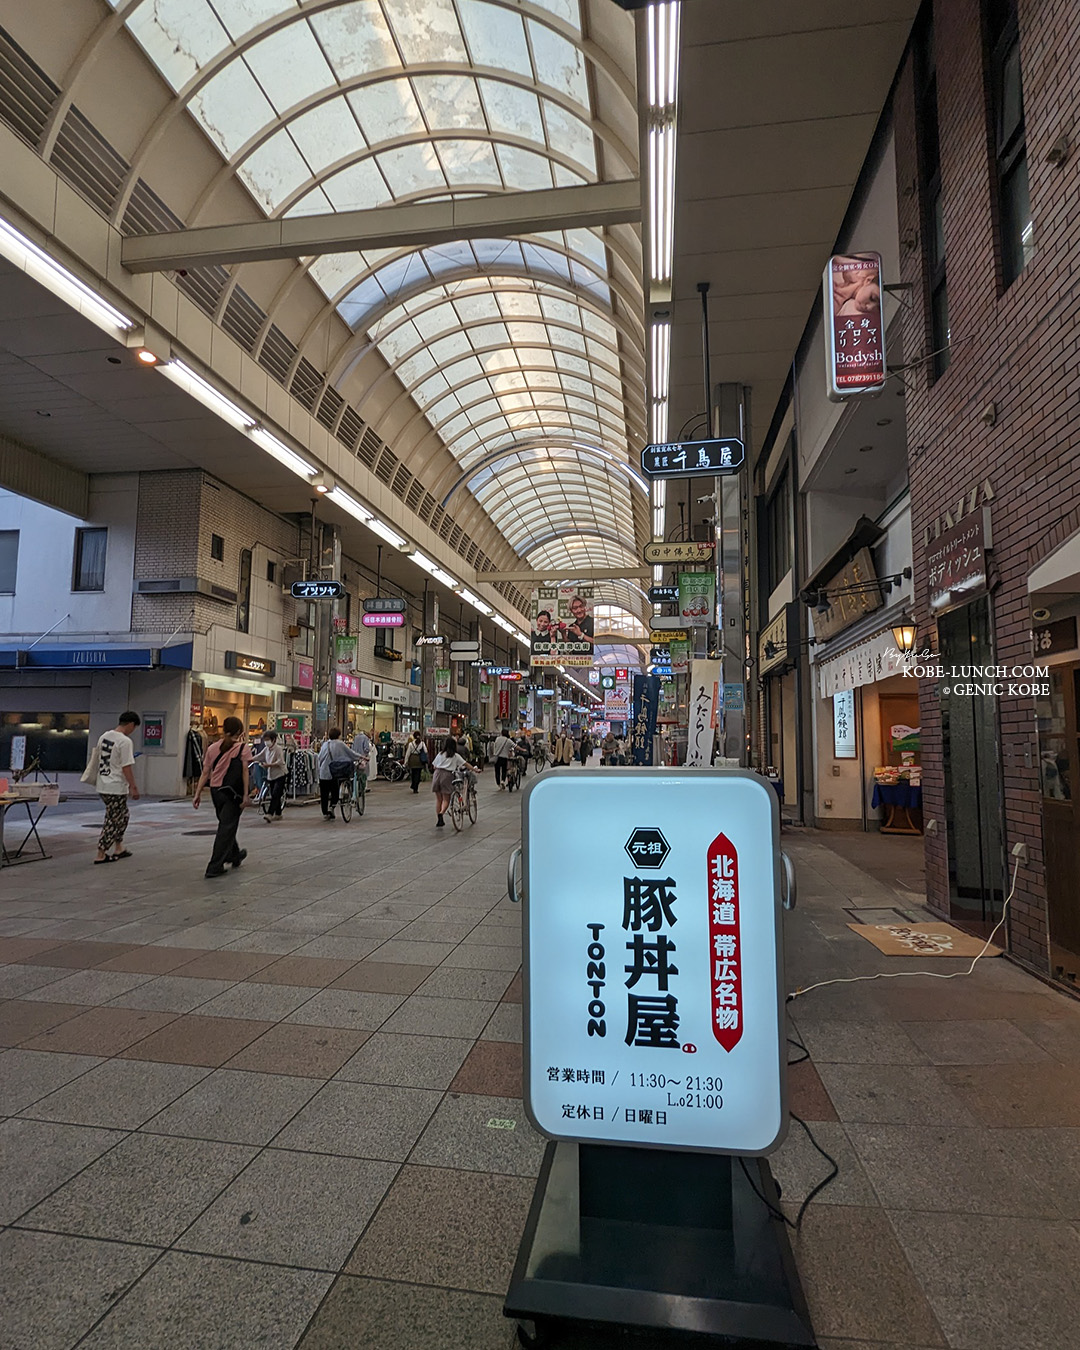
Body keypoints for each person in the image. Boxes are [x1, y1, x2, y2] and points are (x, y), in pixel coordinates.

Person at [192, 715, 251, 878]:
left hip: (215, 792)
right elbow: (245, 772)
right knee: (226, 827)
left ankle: (235, 855)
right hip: (232, 793)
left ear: (224, 729)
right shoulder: (243, 748)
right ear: (240, 731)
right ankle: (214, 865)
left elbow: (205, 773)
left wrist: (197, 794)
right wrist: (246, 795)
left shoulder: (212, 748)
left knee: (226, 824)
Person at [91, 711, 141, 864]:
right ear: (131, 724)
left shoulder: (104, 736)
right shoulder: (125, 741)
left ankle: (119, 846)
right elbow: (126, 766)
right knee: (113, 819)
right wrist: (133, 787)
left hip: (103, 784)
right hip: (116, 786)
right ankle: (101, 852)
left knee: (123, 815)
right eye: (134, 727)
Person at [317, 728, 362, 820]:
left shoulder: (325, 744)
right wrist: (361, 757)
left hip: (324, 772)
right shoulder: (340, 744)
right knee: (335, 791)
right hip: (335, 772)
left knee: (324, 794)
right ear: (338, 735)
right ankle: (332, 806)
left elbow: (320, 758)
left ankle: (325, 812)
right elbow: (351, 754)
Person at [431, 735, 475, 827]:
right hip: (447, 775)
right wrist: (475, 770)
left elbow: (434, 766)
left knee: (439, 799)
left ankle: (439, 819)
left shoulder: (440, 754)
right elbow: (466, 764)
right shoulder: (455, 756)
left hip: (436, 774)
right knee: (446, 799)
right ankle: (441, 813)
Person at [251, 729, 286, 821]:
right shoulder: (266, 749)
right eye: (265, 740)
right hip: (271, 775)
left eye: (268, 739)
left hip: (280, 774)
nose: (266, 742)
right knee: (276, 794)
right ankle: (278, 813)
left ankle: (270, 813)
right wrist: (250, 759)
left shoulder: (278, 749)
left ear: (274, 739)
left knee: (275, 794)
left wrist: (269, 765)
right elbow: (259, 756)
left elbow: (280, 761)